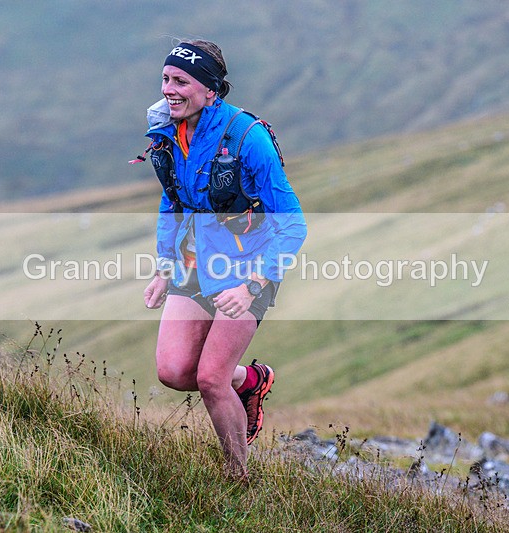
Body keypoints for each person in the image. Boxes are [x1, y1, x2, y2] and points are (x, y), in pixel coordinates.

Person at [139, 39, 306, 480]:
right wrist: (164, 267)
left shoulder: (248, 139)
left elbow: (294, 224)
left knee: (211, 379)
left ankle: (237, 477)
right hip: (196, 264)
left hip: (249, 269)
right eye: (166, 79)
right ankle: (249, 382)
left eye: (181, 81)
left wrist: (253, 284)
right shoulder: (168, 133)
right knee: (174, 372)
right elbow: (172, 202)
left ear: (211, 90)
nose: (169, 90)